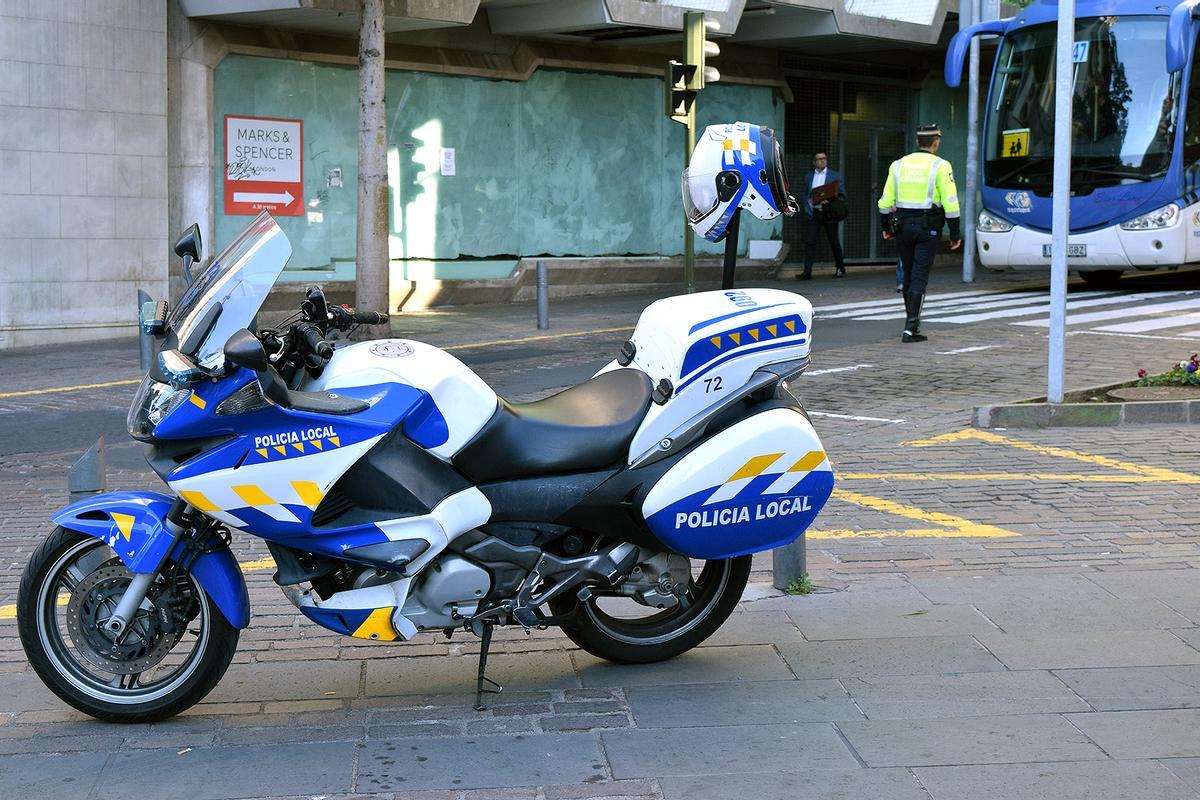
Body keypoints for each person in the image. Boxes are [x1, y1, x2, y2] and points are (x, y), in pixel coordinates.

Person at [877, 124, 962, 342]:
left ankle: (911, 323)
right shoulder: (941, 166)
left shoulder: (898, 165)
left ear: (917, 142)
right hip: (928, 228)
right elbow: (950, 202)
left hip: (903, 227)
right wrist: (954, 233)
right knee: (920, 276)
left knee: (907, 274)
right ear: (936, 142)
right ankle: (911, 326)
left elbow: (885, 201)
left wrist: (886, 227)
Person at [797, 152, 846, 280]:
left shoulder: (835, 176)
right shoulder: (809, 177)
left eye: (824, 159)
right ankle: (807, 272)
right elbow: (806, 194)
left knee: (833, 241)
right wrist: (808, 206)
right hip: (815, 213)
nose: (822, 161)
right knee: (810, 242)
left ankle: (840, 268)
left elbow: (842, 194)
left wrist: (829, 200)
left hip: (829, 213)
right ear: (814, 162)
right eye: (819, 159)